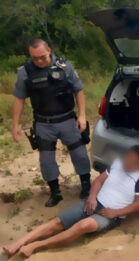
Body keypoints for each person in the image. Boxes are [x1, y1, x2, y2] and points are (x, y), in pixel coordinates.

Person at [2, 145, 139, 258]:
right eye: (127, 156)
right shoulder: (117, 164)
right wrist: (92, 197)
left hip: (110, 215)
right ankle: (19, 242)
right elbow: (98, 181)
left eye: (131, 159)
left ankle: (37, 246)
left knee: (83, 225)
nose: (126, 160)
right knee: (57, 222)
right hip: (93, 202)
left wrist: (115, 212)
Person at [11, 38, 91, 207]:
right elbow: (19, 98)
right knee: (46, 160)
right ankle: (55, 192)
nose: (39, 61)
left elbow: (78, 90)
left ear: (49, 50)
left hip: (68, 119)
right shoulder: (25, 72)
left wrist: (82, 115)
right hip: (43, 123)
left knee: (80, 154)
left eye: (42, 57)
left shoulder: (65, 66)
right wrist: (15, 124)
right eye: (35, 58)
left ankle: (86, 185)